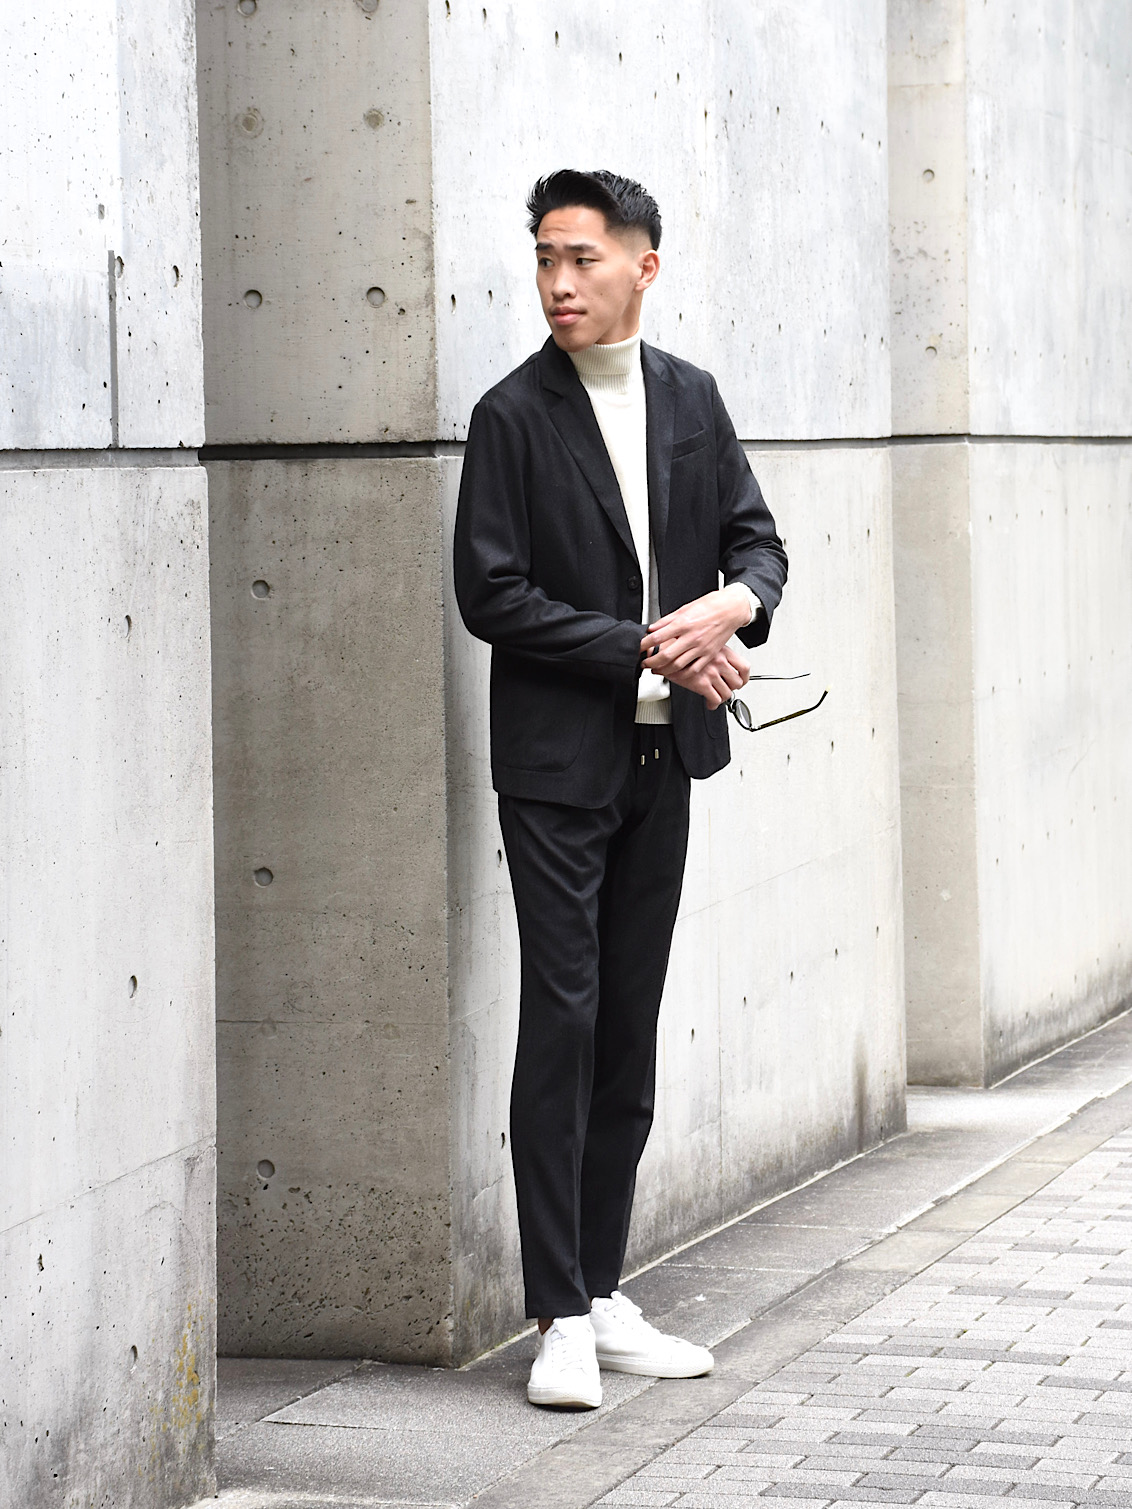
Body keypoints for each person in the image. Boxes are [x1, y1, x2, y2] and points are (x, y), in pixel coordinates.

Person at [453, 170, 788, 1409]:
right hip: (556, 771)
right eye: (544, 257)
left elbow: (757, 541)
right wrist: (655, 643)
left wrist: (731, 604)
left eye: (581, 258)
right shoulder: (512, 415)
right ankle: (554, 1314)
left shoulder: (689, 397)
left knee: (628, 1029)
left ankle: (598, 1290)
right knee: (565, 1020)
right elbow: (491, 595)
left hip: (665, 759)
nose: (557, 282)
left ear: (643, 266)